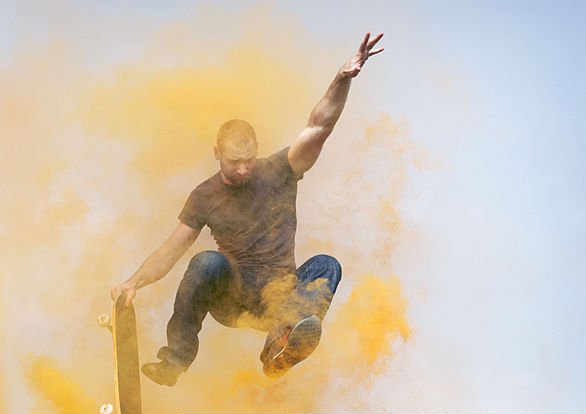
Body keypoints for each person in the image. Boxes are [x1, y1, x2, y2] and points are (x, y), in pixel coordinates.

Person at [111, 32, 385, 385]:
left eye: (248, 160)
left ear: (258, 149)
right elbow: (171, 249)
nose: (242, 169)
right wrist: (134, 282)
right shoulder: (204, 195)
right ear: (216, 154)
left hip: (280, 297)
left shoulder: (281, 170)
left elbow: (319, 127)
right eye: (233, 162)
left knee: (326, 267)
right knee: (205, 261)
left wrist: (341, 79)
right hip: (234, 297)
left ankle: (281, 345)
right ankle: (174, 361)